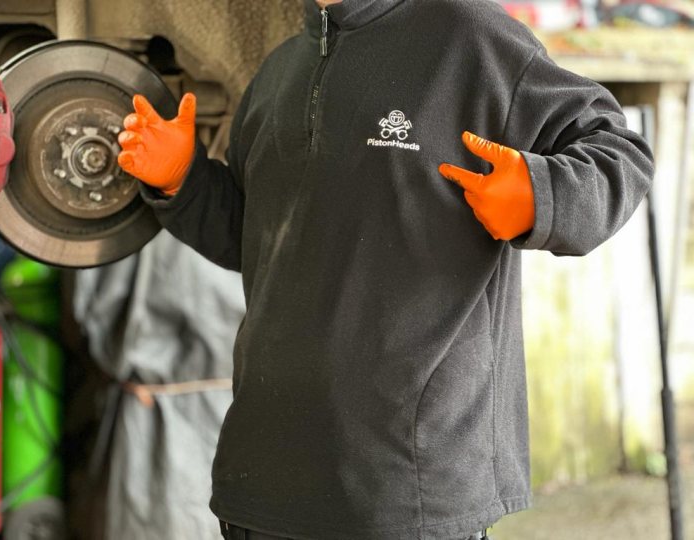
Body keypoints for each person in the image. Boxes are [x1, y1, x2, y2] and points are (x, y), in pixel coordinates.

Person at [116, 0, 655, 538]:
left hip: (406, 489)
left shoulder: (470, 38)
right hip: (262, 483)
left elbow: (618, 153)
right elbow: (254, 240)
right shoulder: (277, 73)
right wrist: (182, 180)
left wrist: (542, 195)